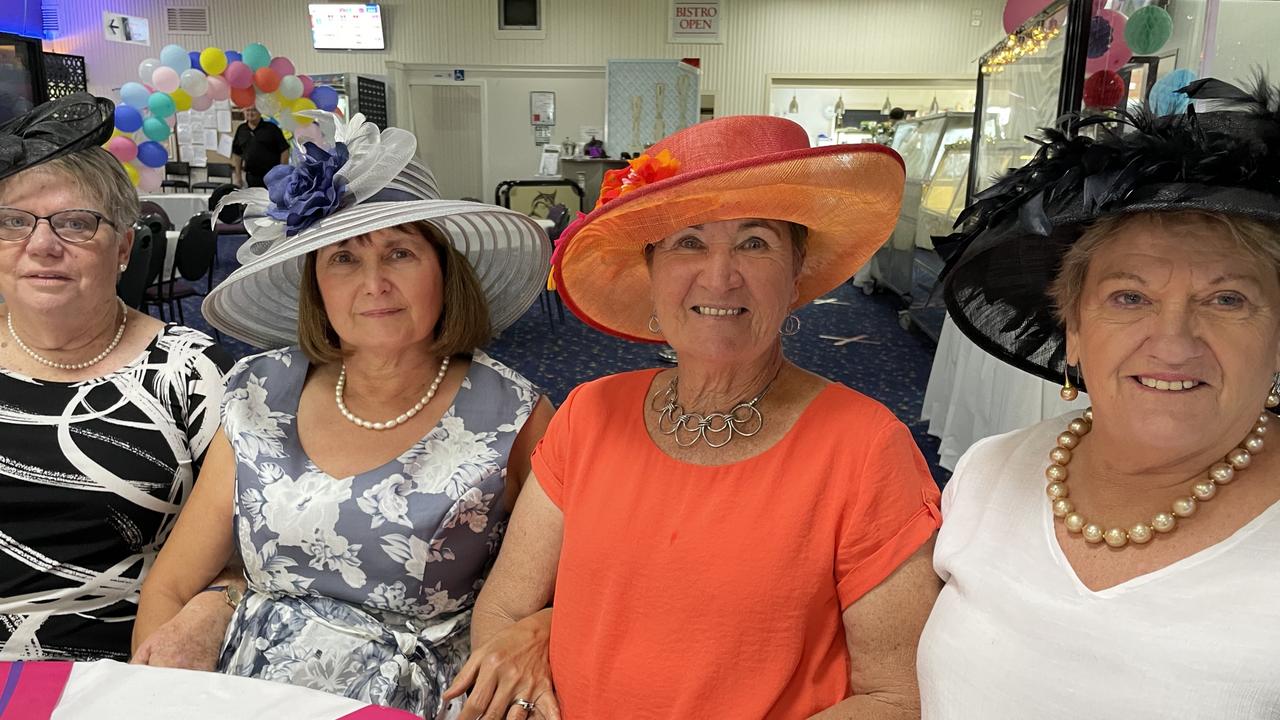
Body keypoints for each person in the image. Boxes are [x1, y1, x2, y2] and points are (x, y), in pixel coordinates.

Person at [450, 116, 943, 718]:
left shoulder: (866, 448)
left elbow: (898, 696)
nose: (719, 275)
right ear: (651, 271)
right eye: (688, 240)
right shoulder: (590, 412)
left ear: (795, 276)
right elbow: (503, 612)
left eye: (755, 242)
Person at [134, 111, 555, 718]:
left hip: (416, 700)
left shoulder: (514, 414)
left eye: (400, 253)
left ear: (444, 269)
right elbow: (172, 585)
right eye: (343, 259)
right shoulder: (258, 389)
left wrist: (538, 627)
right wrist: (152, 697)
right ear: (316, 285)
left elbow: (578, 586)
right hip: (240, 693)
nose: (374, 284)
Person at [919, 78, 1280, 716]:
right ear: (1076, 329)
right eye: (1129, 297)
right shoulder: (987, 471)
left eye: (1227, 299)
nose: (1172, 343)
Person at [0, 94, 232, 660]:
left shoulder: (191, 372)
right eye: (13, 222)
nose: (43, 245)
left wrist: (216, 605)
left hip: (121, 669)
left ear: (124, 247)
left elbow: (258, 548)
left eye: (77, 224)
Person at [230, 106, 289, 188]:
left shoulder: (272, 128)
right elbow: (237, 154)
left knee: (269, 200)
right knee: (253, 200)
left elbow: (284, 150)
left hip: (271, 176)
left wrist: (281, 173)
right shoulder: (241, 129)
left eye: (254, 110)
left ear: (260, 112)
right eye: (248, 110)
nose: (250, 113)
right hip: (251, 176)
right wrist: (238, 176)